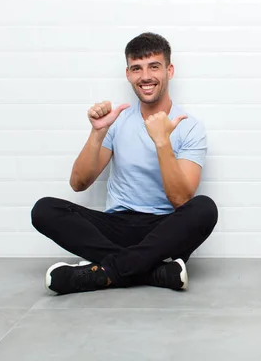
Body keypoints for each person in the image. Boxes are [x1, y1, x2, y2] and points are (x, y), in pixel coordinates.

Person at [30, 32, 218, 295]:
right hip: (115, 227)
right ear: (128, 74)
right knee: (44, 210)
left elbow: (181, 201)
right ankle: (154, 272)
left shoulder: (190, 127)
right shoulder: (117, 121)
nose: (145, 76)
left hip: (163, 231)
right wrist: (97, 132)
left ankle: (105, 272)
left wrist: (162, 142)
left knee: (204, 209)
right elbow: (78, 183)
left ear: (169, 70)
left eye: (154, 66)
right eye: (136, 68)